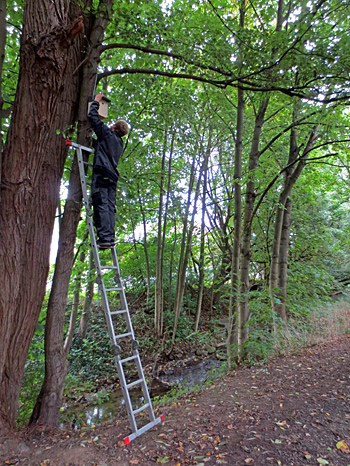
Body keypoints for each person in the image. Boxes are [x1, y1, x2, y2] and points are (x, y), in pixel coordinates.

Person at [87, 93, 129, 249]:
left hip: (103, 175)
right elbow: (101, 147)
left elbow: (93, 118)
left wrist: (96, 102)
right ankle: (109, 238)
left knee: (101, 204)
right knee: (110, 208)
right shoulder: (118, 143)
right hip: (112, 178)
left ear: (113, 127)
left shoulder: (107, 134)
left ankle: (104, 238)